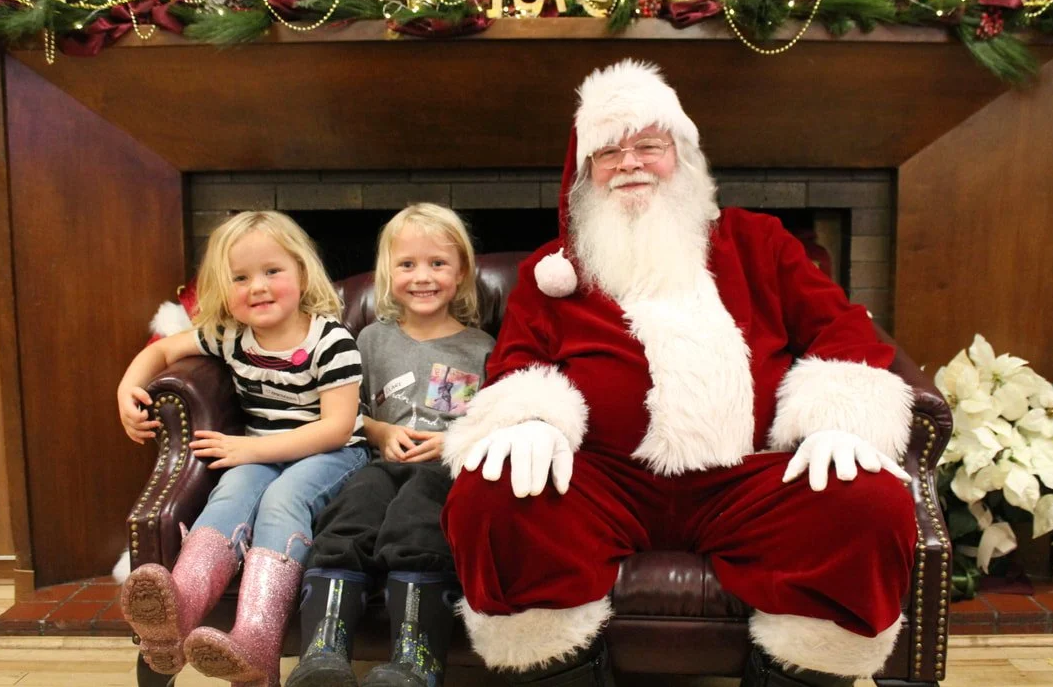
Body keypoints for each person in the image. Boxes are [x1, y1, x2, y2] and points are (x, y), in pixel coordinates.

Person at [439, 60, 918, 687]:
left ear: (682, 156)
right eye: (608, 152)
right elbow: (517, 360)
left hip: (746, 480)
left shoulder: (760, 242)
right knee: (492, 492)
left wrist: (839, 420)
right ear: (585, 173)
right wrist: (529, 418)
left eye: (648, 146)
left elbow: (844, 329)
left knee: (870, 503)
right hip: (602, 483)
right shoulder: (551, 273)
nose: (630, 163)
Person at [117, 210, 369, 687]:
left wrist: (252, 450)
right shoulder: (231, 337)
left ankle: (256, 635)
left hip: (333, 455)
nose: (258, 286)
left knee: (280, 501)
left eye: (273, 271)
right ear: (222, 288)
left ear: (301, 272)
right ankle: (179, 609)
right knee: (231, 491)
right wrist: (127, 387)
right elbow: (162, 351)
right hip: (259, 453)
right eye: (240, 277)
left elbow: (337, 428)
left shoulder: (331, 341)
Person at [286, 203, 495, 687]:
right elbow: (342, 412)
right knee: (350, 513)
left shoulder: (482, 347)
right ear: (388, 273)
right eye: (407, 265)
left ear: (461, 272)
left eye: (437, 264)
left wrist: (453, 441)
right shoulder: (369, 341)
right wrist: (380, 431)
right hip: (380, 463)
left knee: (417, 523)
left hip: (445, 468)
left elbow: (494, 420)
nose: (423, 277)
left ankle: (415, 661)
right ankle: (324, 650)